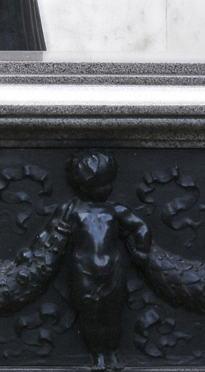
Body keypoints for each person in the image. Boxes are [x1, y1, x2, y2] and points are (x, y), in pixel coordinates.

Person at [64, 151, 151, 371]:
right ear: (82, 187)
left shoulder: (116, 210)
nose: (104, 190)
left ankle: (112, 353)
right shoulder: (74, 212)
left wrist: (141, 249)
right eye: (97, 185)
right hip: (84, 272)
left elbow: (141, 226)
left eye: (107, 184)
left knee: (113, 316)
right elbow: (53, 235)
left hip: (113, 271)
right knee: (90, 317)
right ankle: (97, 356)